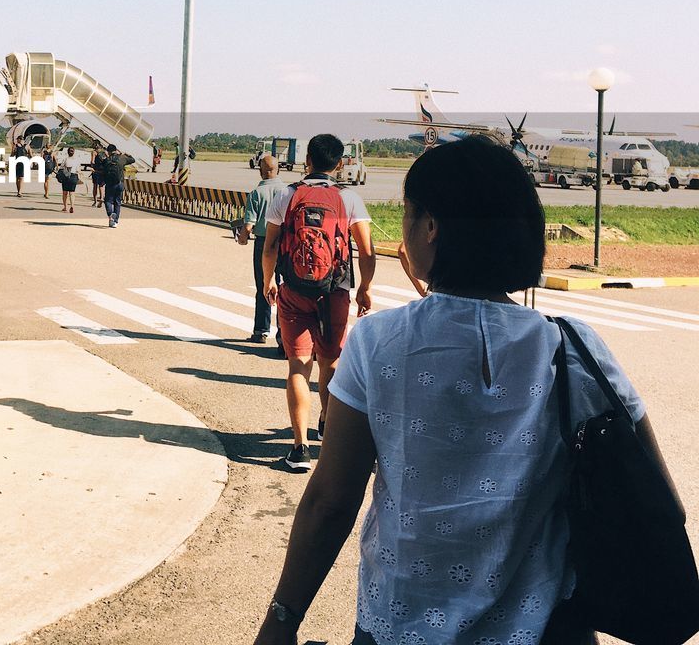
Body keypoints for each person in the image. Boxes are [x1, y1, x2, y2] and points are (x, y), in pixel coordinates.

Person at [253, 137, 673, 645]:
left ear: (431, 228)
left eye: (409, 215)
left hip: (401, 626)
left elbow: (330, 503)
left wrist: (283, 620)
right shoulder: (573, 348)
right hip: (550, 631)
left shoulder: (378, 343)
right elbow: (659, 501)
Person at [262, 134, 374, 472]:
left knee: (299, 366)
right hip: (335, 292)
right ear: (339, 164)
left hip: (294, 290)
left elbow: (270, 246)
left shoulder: (287, 194)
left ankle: (299, 449)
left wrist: (268, 281)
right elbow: (367, 252)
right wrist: (364, 288)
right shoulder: (349, 199)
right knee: (330, 364)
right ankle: (329, 432)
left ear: (306, 159)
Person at [236, 153, 287, 349]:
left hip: (264, 244)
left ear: (260, 171)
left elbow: (249, 224)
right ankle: (283, 334)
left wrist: (242, 237)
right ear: (278, 169)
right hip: (284, 244)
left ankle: (261, 331)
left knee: (264, 286)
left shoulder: (256, 194)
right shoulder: (287, 192)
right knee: (284, 289)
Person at [100, 143, 134, 228]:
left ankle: (110, 215)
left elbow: (101, 165)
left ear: (109, 151)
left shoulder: (107, 160)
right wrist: (125, 154)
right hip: (119, 183)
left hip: (110, 184)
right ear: (116, 150)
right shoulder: (122, 158)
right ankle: (115, 221)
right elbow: (132, 160)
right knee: (117, 202)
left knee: (108, 201)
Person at [56, 147, 82, 213]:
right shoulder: (77, 160)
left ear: (67, 152)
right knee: (72, 193)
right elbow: (78, 170)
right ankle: (72, 206)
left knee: (65, 193)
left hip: (66, 176)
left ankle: (65, 207)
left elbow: (61, 168)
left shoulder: (65, 159)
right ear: (74, 152)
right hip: (74, 176)